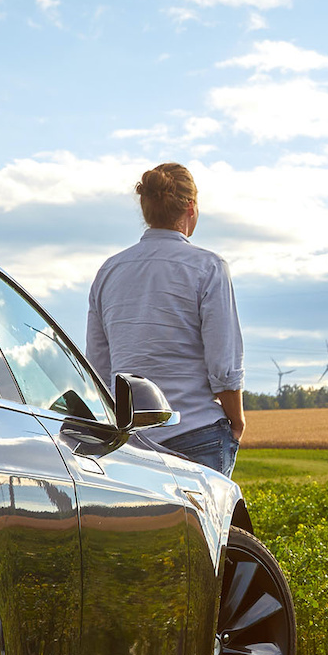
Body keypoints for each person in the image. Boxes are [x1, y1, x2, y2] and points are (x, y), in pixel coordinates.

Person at [87, 163, 245, 475]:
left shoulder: (109, 271)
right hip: (197, 432)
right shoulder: (209, 267)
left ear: (146, 207)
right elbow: (223, 366)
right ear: (191, 207)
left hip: (131, 444)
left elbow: (98, 368)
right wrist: (237, 422)